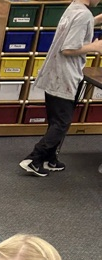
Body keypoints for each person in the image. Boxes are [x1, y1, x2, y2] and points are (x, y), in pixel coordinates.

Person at [20, 0, 102, 176]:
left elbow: (80, 24)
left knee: (55, 121)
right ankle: (34, 159)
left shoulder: (74, 8)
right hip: (64, 76)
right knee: (62, 123)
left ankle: (50, 159)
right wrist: (95, 47)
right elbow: (68, 49)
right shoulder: (84, 14)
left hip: (54, 74)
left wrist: (97, 19)